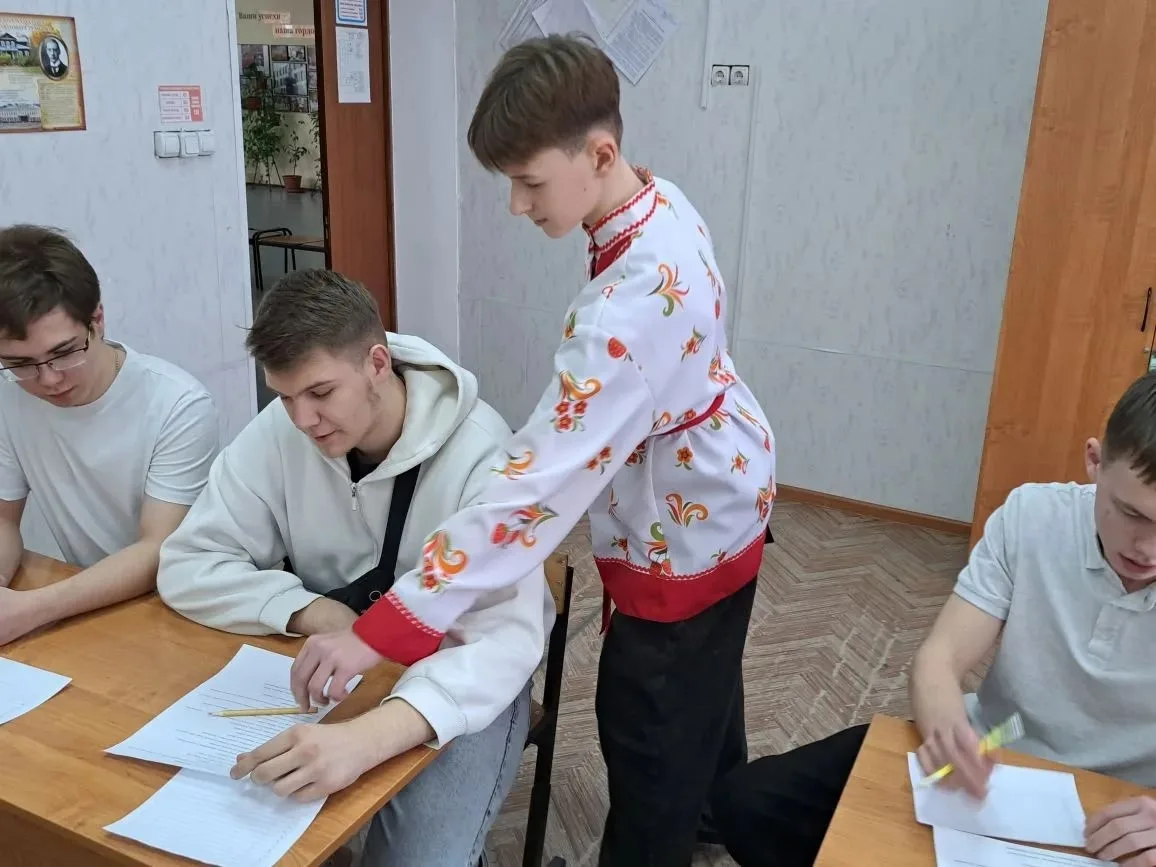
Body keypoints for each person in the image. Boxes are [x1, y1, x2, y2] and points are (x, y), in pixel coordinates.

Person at [286, 36, 777, 866]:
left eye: (529, 182)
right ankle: (714, 812)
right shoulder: (660, 200)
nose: (516, 205)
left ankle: (673, 829)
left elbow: (533, 495)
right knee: (705, 692)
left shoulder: (625, 315)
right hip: (728, 486)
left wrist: (380, 630)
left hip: (683, 535)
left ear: (601, 153)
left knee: (650, 732)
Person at [156, 269, 552, 866]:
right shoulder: (283, 430)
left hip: (459, 679)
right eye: (284, 397)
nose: (302, 419)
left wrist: (366, 741)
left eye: (320, 393)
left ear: (376, 364)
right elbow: (190, 560)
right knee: (223, 825)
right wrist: (315, 613)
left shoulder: (484, 454)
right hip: (331, 661)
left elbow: (502, 644)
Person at [710, 370, 1156, 867]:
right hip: (990, 756)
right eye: (1132, 514)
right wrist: (946, 729)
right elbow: (940, 658)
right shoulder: (1033, 515)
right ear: (1095, 462)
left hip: (1125, 806)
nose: (1147, 548)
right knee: (747, 803)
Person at [0, 224, 217, 645]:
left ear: (97, 320)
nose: (48, 379)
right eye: (20, 363)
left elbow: (159, 551)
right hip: (89, 608)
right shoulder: (10, 396)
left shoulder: (177, 404)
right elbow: (3, 520)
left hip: (179, 609)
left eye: (64, 353)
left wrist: (31, 609)